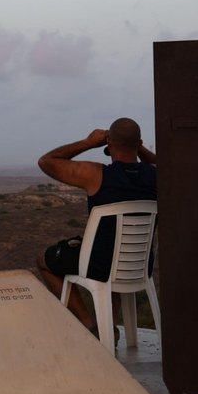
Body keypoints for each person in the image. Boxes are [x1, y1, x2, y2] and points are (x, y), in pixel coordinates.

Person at [35, 117, 157, 335]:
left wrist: (89, 142)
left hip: (99, 265)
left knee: (43, 260)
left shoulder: (97, 175)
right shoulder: (158, 176)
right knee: (113, 258)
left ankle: (88, 324)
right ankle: (109, 327)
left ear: (109, 143)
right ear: (139, 144)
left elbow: (47, 161)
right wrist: (137, 147)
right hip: (139, 266)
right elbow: (160, 163)